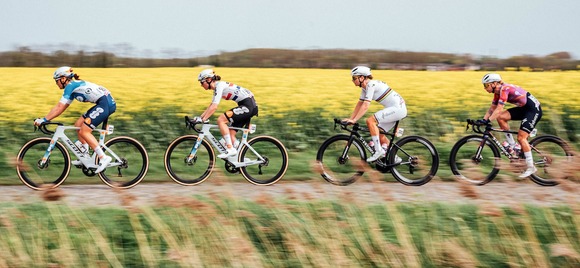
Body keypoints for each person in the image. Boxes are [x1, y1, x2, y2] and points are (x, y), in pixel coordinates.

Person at [34, 66, 116, 173]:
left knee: (84, 131)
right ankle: (85, 156)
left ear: (63, 79)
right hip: (103, 103)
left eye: (57, 81)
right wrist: (46, 118)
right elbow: (61, 107)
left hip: (105, 104)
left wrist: (44, 119)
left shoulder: (70, 86)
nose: (56, 83)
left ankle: (103, 157)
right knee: (78, 124)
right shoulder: (73, 88)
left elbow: (60, 107)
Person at [479, 73, 542, 178]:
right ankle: (513, 146)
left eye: (486, 85)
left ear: (494, 83)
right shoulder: (497, 93)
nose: (485, 88)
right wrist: (483, 120)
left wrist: (488, 121)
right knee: (501, 118)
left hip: (533, 110)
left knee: (521, 138)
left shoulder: (504, 89)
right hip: (524, 109)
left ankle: (531, 167)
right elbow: (492, 109)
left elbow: (499, 109)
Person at [343, 66, 407, 162]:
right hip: (395, 108)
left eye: (354, 78)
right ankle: (394, 158)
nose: (352, 80)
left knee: (370, 121)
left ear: (362, 78)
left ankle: (378, 151)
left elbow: (365, 105)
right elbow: (360, 104)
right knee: (380, 134)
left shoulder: (371, 85)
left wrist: (354, 120)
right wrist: (351, 118)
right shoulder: (365, 88)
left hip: (397, 109)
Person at [194, 69, 259, 158]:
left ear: (209, 80)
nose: (201, 85)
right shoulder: (217, 87)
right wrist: (200, 117)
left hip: (248, 106)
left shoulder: (219, 86)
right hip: (248, 105)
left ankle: (230, 148)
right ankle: (239, 158)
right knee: (230, 134)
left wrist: (203, 119)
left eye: (202, 82)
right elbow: (211, 105)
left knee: (221, 120)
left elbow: (214, 107)